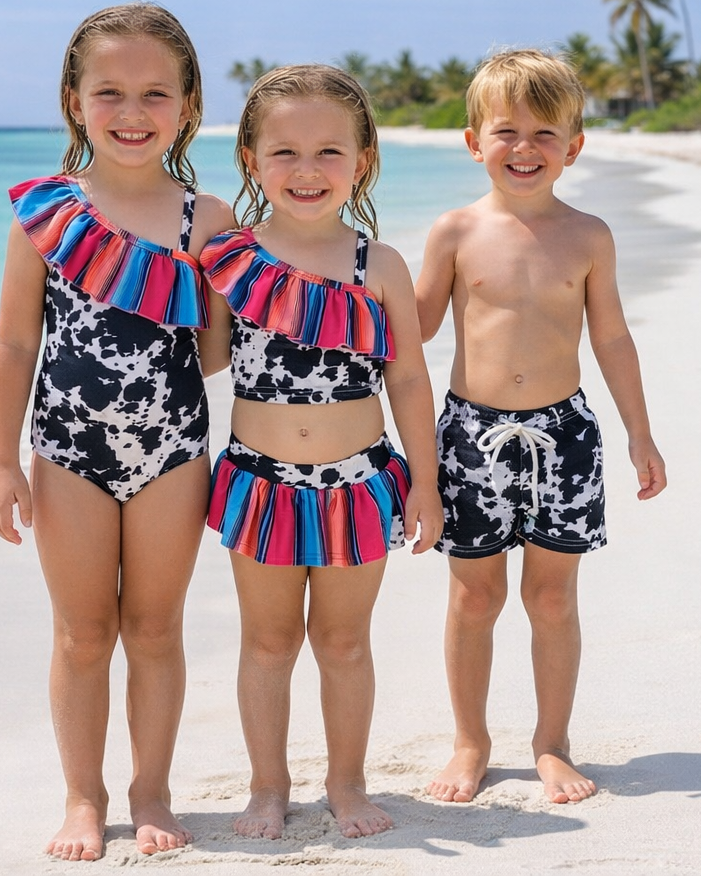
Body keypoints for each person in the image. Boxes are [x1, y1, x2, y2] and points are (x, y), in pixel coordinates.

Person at [0, 3, 234, 862]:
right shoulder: (49, 215)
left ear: (189, 104)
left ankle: (150, 789)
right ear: (74, 100)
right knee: (81, 634)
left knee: (157, 629)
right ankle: (83, 797)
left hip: (171, 452)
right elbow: (17, 342)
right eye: (112, 92)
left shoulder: (208, 221)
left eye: (156, 93)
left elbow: (209, 356)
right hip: (65, 453)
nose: (134, 112)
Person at [415, 49, 666, 806]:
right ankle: (471, 741)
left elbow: (613, 338)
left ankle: (551, 744)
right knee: (474, 598)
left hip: (565, 436)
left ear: (574, 146)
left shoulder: (588, 236)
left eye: (544, 133)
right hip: (469, 435)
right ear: (473, 142)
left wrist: (640, 434)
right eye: (506, 131)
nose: (524, 149)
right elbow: (413, 329)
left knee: (552, 598)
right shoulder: (455, 231)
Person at [200, 64, 443, 840]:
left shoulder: (381, 266)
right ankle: (267, 787)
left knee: (343, 642)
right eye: (285, 153)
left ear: (363, 160)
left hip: (360, 481)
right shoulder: (231, 261)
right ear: (249, 158)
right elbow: (199, 357)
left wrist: (427, 483)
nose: (307, 171)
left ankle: (346, 783)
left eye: (330, 152)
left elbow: (408, 379)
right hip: (259, 482)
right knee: (267, 643)